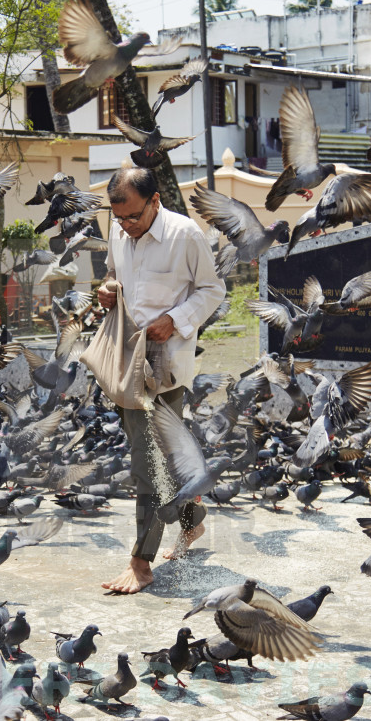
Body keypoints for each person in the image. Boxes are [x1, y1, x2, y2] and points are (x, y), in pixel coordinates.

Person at [96, 167, 226, 594]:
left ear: (155, 202)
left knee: (147, 460)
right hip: (126, 362)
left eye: (133, 217)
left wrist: (176, 320)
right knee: (163, 458)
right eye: (119, 219)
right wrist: (107, 289)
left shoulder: (186, 235)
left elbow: (213, 290)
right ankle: (193, 522)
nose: (126, 226)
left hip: (167, 366)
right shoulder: (118, 231)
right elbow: (113, 274)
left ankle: (141, 561)